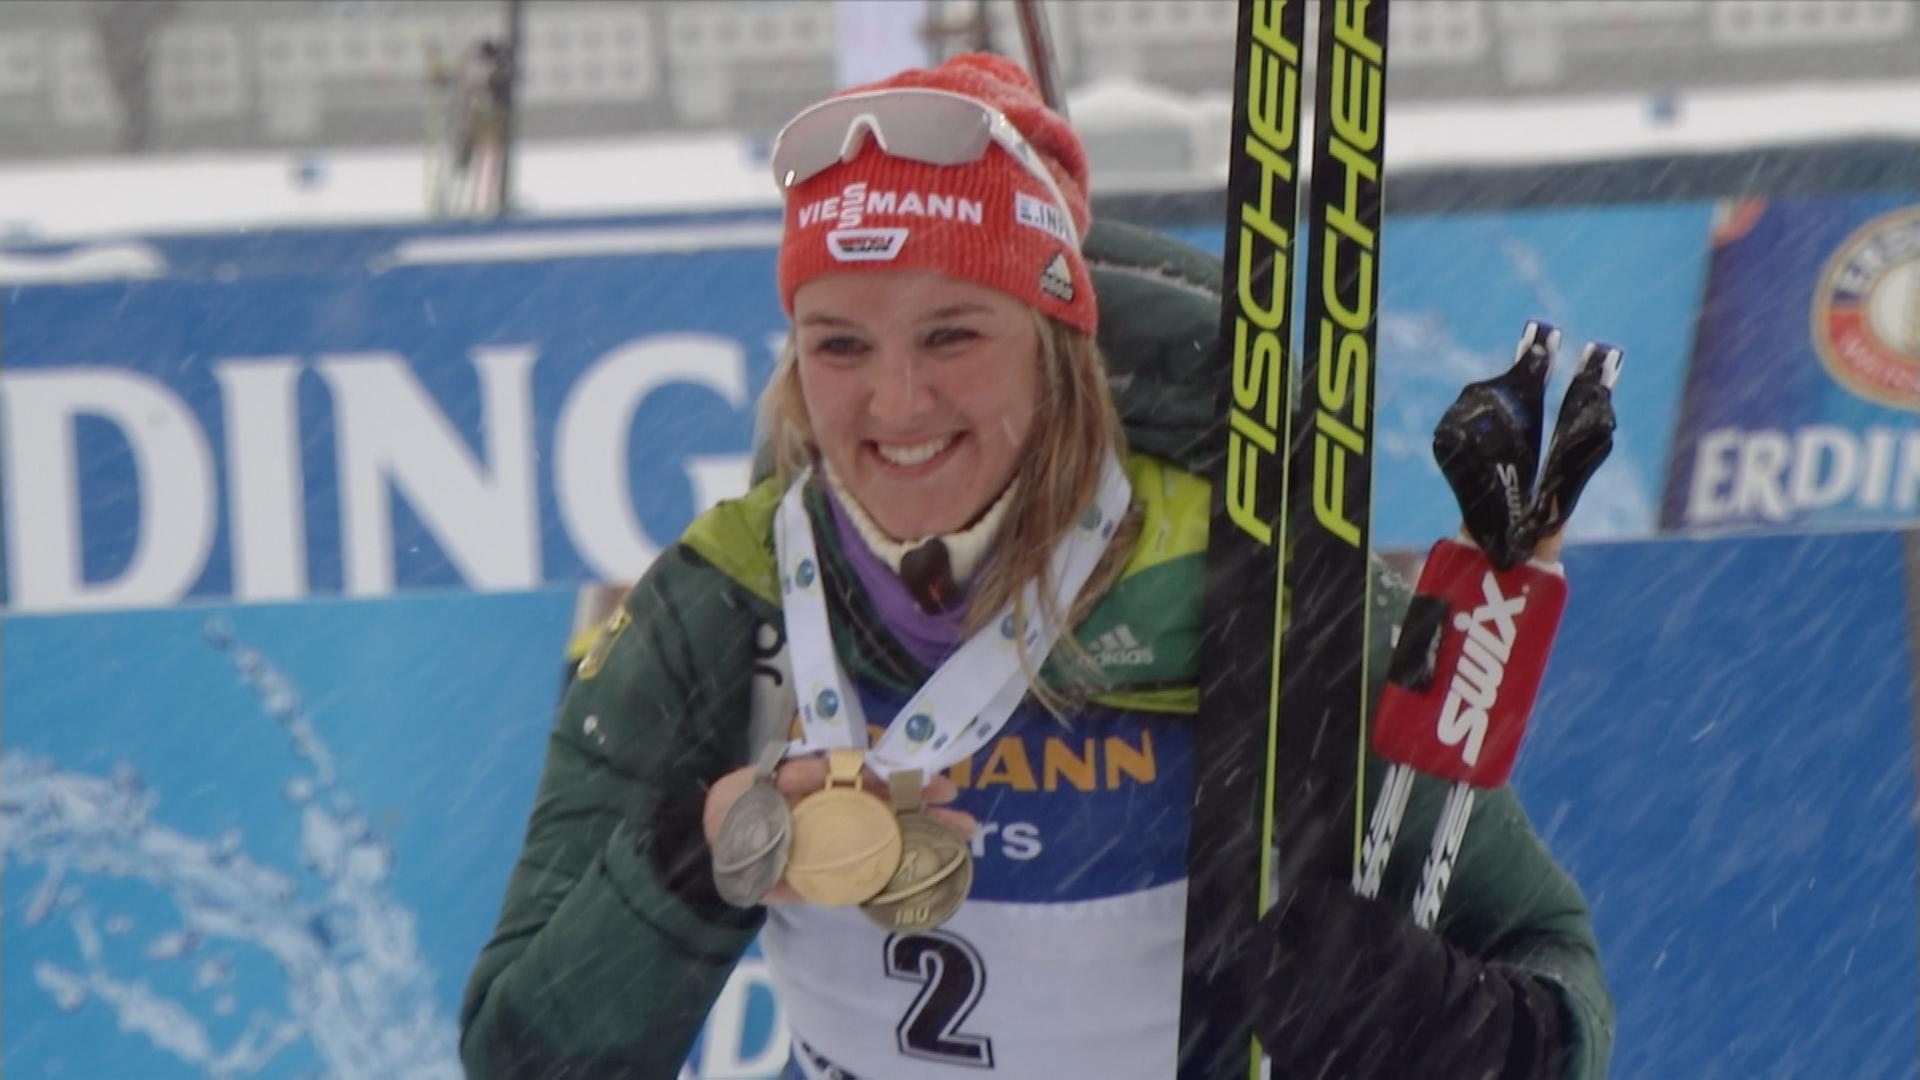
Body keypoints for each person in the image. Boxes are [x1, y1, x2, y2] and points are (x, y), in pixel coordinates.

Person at [460, 53, 1613, 1080]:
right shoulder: (725, 607)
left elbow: (1553, 974)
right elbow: (521, 1051)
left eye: (953, 333)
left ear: (1060, 347)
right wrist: (697, 858)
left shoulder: (1247, 584)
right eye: (840, 345)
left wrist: (1452, 1033)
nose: (896, 404)